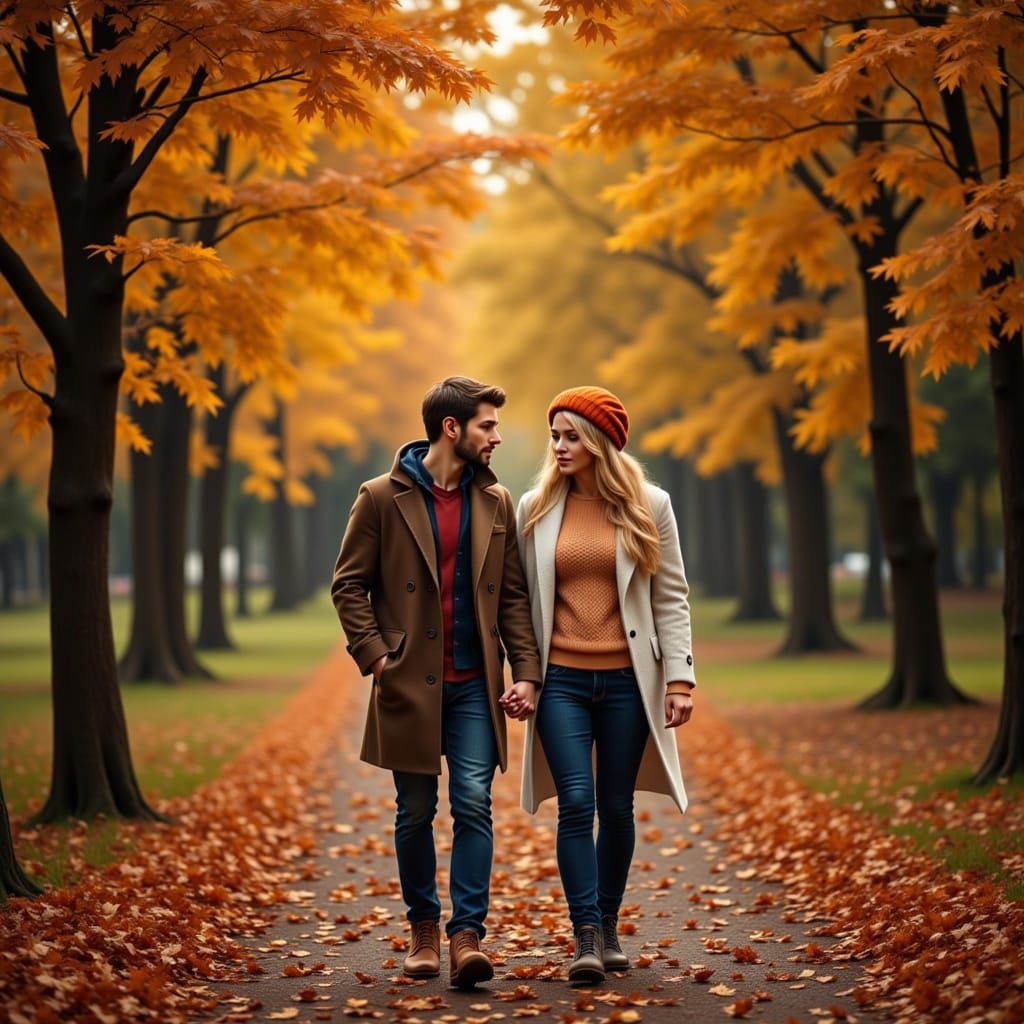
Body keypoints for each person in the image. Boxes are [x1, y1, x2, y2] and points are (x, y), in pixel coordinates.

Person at [331, 376, 542, 989]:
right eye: (487, 426)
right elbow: (349, 584)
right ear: (452, 428)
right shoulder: (378, 496)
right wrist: (376, 658)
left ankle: (466, 935)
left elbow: (513, 599)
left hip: (477, 684)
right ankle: (423, 928)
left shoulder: (496, 502)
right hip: (408, 683)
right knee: (415, 810)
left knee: (473, 801)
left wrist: (526, 674)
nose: (496, 437)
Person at [506, 385, 695, 985]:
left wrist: (681, 679)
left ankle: (610, 924)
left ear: (601, 443)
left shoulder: (650, 505)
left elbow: (670, 596)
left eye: (570, 436)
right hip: (561, 681)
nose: (559, 446)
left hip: (628, 684)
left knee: (615, 808)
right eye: (554, 435)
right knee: (577, 804)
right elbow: (521, 602)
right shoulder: (534, 507)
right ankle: (585, 933)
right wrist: (527, 676)